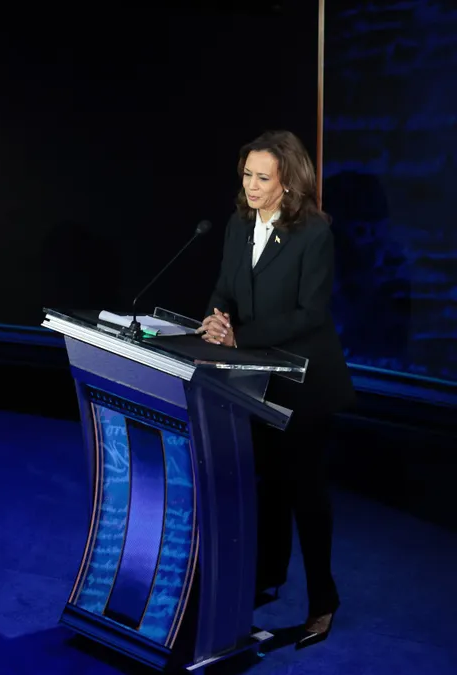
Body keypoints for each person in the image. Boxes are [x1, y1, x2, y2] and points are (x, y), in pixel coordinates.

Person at [200, 130, 354, 649]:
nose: (251, 186)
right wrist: (216, 319)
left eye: (262, 178)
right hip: (255, 379)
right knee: (265, 486)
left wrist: (241, 335)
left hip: (307, 383)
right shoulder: (238, 224)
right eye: (246, 175)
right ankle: (266, 577)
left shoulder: (314, 232)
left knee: (306, 495)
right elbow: (225, 287)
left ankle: (323, 603)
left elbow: (311, 313)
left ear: (287, 182)